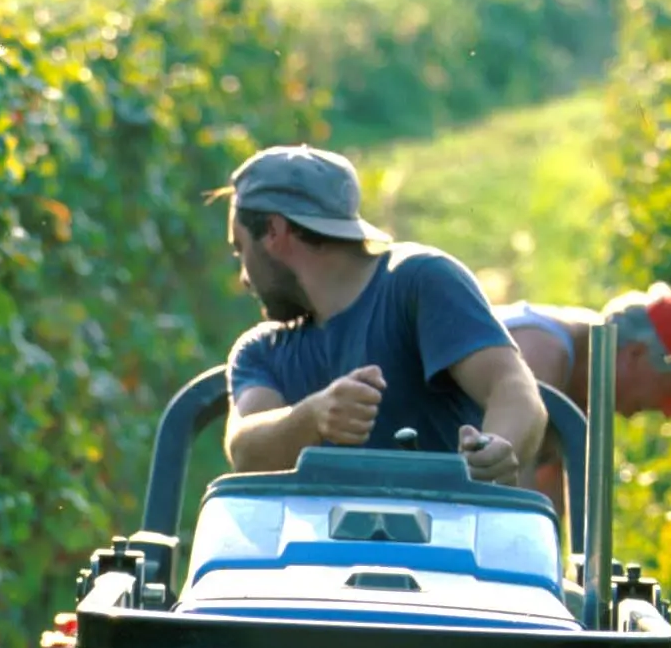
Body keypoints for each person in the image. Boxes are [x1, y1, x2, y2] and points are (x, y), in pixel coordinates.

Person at [220, 144, 547, 486]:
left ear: (273, 230)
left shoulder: (419, 282)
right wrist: (314, 417)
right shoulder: (260, 351)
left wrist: (496, 449)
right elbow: (245, 452)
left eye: (241, 249)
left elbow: (512, 387)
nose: (244, 277)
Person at [496, 289, 671, 507]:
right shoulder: (542, 353)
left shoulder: (582, 399)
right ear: (636, 354)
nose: (664, 409)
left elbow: (548, 511)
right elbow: (511, 493)